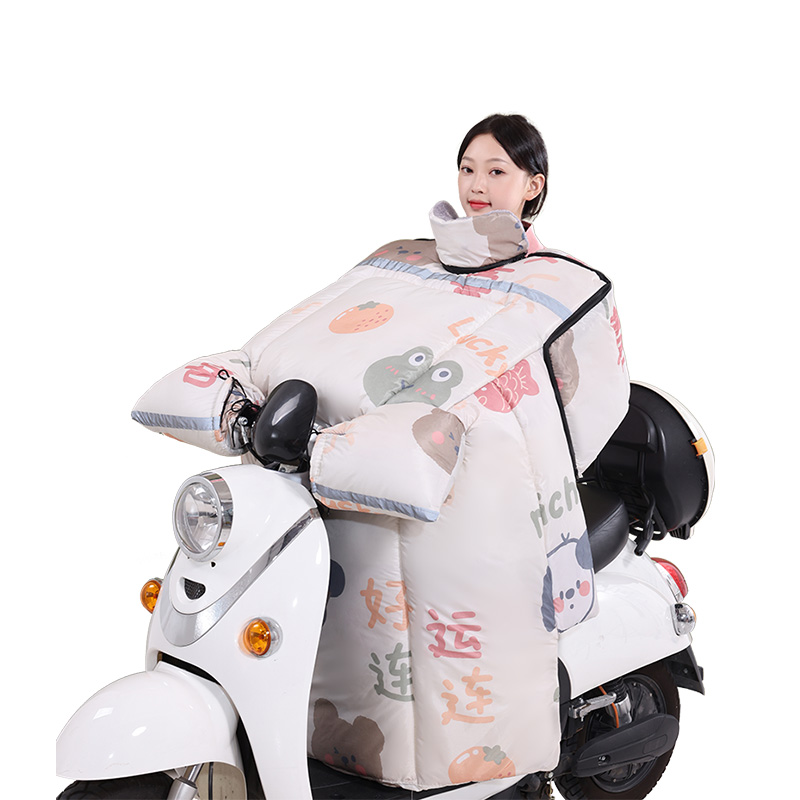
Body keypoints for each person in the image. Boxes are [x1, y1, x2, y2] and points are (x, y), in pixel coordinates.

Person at [132, 114, 630, 790]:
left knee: (448, 634)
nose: (478, 184)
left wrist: (478, 440)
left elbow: (584, 403)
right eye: (469, 168)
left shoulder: (558, 285)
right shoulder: (405, 260)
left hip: (474, 495)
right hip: (343, 482)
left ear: (533, 184)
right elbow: (316, 333)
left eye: (497, 171)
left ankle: (490, 772)